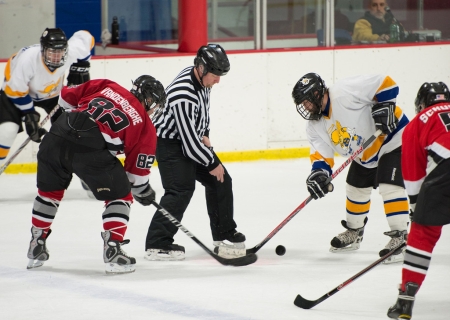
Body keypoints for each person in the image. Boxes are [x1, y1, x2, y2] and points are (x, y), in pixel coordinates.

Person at [26, 75, 166, 274]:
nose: (153, 111)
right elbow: (135, 176)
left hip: (57, 134)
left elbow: (65, 98)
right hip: (89, 147)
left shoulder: (108, 85)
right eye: (155, 105)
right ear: (150, 100)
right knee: (121, 195)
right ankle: (113, 250)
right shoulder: (144, 124)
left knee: (49, 193)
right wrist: (143, 189)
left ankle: (36, 245)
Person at [291, 72, 410, 264]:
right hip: (365, 153)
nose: (304, 108)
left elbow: (386, 83)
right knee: (355, 188)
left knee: (390, 186)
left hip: (393, 138)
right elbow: (321, 156)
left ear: (316, 93)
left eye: (306, 102)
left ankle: (401, 238)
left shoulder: (344, 92)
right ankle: (355, 231)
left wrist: (386, 105)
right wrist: (319, 174)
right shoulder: (314, 126)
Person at [144, 44, 246, 261]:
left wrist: (205, 132)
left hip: (188, 138)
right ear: (201, 68)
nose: (218, 80)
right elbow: (189, 145)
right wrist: (211, 162)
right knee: (180, 189)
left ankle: (224, 235)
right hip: (168, 142)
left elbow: (201, 113)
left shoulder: (201, 78)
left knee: (221, 180)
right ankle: (157, 243)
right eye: (216, 75)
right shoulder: (183, 94)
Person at [387, 82, 450, 319]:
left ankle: (405, 300)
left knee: (422, 236)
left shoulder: (418, 122)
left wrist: (416, 208)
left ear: (422, 103)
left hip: (445, 174)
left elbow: (413, 174)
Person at [0, 27, 94, 166]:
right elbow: (16, 91)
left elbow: (86, 37)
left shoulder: (72, 52)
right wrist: (29, 115)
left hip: (53, 95)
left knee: (73, 132)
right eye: (52, 52)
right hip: (16, 94)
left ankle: (86, 173)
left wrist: (81, 66)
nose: (57, 57)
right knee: (7, 130)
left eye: (60, 51)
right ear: (43, 50)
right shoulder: (28, 59)